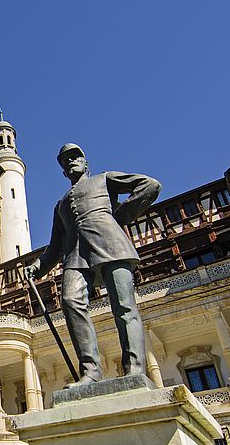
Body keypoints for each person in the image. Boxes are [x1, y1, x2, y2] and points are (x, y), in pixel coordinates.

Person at [25, 143, 160, 387]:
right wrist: (38, 265)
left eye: (76, 157)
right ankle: (91, 372)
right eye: (66, 160)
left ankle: (135, 369)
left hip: (112, 246)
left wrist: (118, 217)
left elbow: (150, 185)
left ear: (86, 163)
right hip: (76, 257)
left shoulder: (104, 180)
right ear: (63, 172)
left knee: (124, 307)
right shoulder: (61, 205)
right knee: (70, 301)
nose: (71, 161)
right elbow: (55, 247)